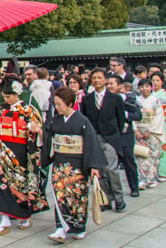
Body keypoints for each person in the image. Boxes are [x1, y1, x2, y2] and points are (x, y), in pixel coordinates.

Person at [0, 76, 48, 236]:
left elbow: (39, 131)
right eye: (4, 97)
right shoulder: (2, 110)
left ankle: (24, 217)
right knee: (0, 183)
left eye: (8, 97)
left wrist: (36, 130)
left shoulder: (29, 110)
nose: (6, 100)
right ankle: (4, 219)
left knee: (21, 186)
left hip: (21, 151)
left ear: (17, 93)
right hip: (2, 150)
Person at [43, 87, 106, 243]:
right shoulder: (55, 120)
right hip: (59, 163)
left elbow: (91, 144)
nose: (57, 108)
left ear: (70, 103)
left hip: (77, 165)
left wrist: (94, 167)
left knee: (77, 196)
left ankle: (79, 227)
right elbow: (47, 136)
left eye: (60, 104)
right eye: (55, 105)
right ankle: (60, 228)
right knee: (59, 195)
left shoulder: (82, 121)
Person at [80, 68, 126, 212]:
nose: (97, 80)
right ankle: (105, 199)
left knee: (111, 169)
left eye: (100, 78)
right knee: (98, 171)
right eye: (94, 78)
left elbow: (121, 119)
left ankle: (119, 198)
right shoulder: (87, 99)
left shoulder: (115, 98)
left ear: (105, 80)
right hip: (94, 138)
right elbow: (85, 118)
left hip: (110, 137)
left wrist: (115, 134)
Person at [108, 76, 141, 197]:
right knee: (110, 165)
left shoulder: (129, 98)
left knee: (129, 161)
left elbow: (138, 115)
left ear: (120, 86)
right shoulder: (105, 99)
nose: (109, 86)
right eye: (108, 84)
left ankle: (134, 187)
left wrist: (124, 113)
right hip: (111, 135)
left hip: (125, 135)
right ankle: (112, 191)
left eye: (112, 84)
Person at [134, 78, 165, 189]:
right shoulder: (136, 100)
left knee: (152, 155)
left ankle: (151, 178)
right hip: (139, 129)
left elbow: (158, 116)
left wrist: (150, 130)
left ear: (151, 88)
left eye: (147, 86)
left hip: (151, 131)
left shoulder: (155, 100)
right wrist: (136, 130)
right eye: (142, 87)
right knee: (139, 155)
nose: (144, 89)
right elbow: (132, 116)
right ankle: (141, 179)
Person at [150, 72, 166, 182]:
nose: (155, 83)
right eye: (153, 80)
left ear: (162, 82)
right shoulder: (148, 95)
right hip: (151, 124)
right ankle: (151, 172)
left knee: (165, 149)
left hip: (164, 123)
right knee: (152, 150)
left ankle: (163, 172)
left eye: (157, 80)